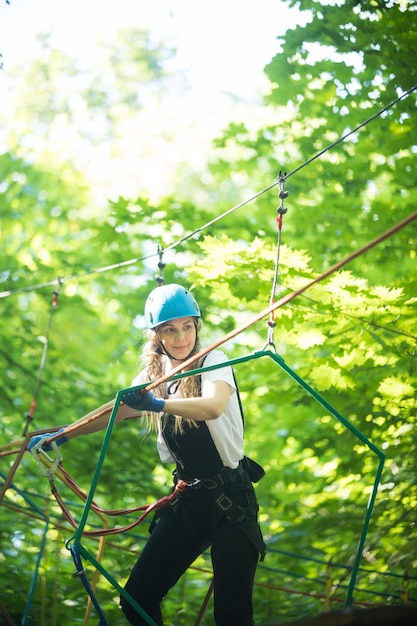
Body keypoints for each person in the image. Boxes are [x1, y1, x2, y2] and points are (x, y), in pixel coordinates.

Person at [29, 283, 265, 626]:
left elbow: (213, 406)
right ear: (157, 336)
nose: (181, 337)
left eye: (187, 326)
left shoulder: (214, 361)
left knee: (232, 613)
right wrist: (63, 436)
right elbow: (113, 411)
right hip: (189, 502)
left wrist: (156, 403)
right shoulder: (156, 376)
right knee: (136, 598)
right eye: (170, 329)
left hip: (232, 498)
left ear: (197, 326)